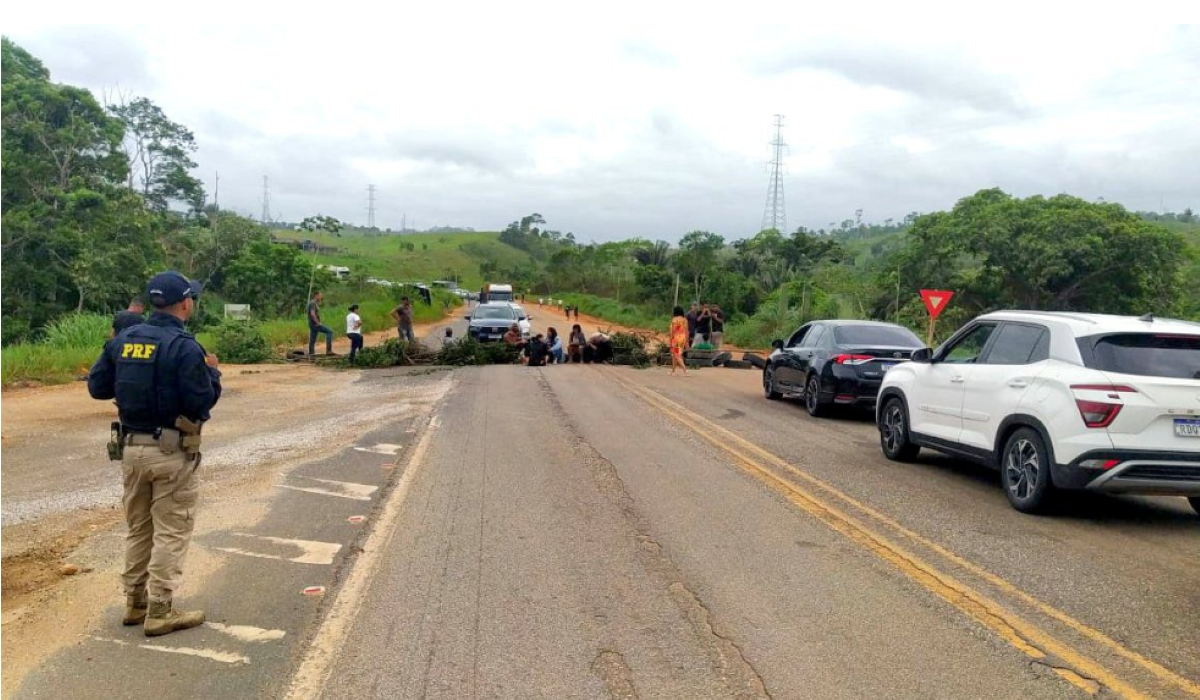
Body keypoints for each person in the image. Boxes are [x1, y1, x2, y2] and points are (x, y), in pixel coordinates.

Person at [87, 271, 221, 637]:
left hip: (131, 449)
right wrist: (214, 373)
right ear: (185, 303)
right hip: (171, 452)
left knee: (139, 527)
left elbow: (98, 388)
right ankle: (160, 609)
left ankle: (135, 602)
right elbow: (201, 402)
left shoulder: (124, 339)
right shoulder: (185, 346)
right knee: (171, 529)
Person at [307, 291, 334, 356]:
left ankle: (311, 355)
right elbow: (312, 314)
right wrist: (318, 323)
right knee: (329, 331)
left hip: (312, 324)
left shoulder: (314, 303)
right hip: (315, 324)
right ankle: (328, 350)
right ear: (316, 295)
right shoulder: (312, 303)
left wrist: (319, 302)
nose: (321, 297)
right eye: (320, 296)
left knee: (312, 340)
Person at [669, 306, 690, 376]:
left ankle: (685, 370)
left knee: (676, 355)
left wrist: (670, 338)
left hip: (676, 338)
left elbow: (673, 330)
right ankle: (673, 371)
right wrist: (687, 341)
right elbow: (687, 331)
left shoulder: (674, 320)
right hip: (682, 338)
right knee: (675, 355)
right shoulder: (685, 320)